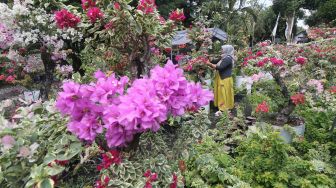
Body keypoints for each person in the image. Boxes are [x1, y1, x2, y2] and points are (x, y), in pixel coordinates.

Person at [205, 45, 235, 111]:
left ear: (227, 50)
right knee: (220, 92)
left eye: (222, 49)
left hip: (225, 78)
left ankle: (224, 107)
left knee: (223, 92)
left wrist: (209, 64)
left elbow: (220, 67)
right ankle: (220, 105)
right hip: (220, 77)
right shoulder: (223, 57)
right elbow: (214, 61)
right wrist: (208, 57)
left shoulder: (228, 58)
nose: (221, 51)